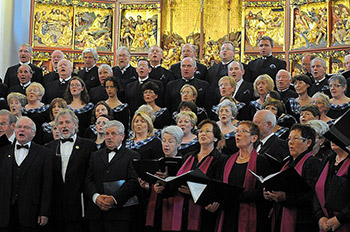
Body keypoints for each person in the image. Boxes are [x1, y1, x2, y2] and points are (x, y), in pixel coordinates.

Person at [155, 120, 224, 232]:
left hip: (204, 212)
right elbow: (177, 181)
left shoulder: (220, 159)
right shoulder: (188, 157)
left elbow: (218, 187)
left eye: (207, 131)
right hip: (182, 209)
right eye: (200, 131)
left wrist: (194, 191)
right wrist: (163, 187)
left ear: (216, 138)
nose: (203, 133)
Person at [216, 120, 272, 232]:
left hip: (252, 212)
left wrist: (235, 196)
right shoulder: (227, 160)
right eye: (237, 131)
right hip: (229, 212)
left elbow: (263, 191)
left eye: (243, 131)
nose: (238, 134)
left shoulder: (261, 161)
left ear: (254, 138)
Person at [84, 120, 140, 232]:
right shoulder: (95, 155)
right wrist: (96, 197)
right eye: (107, 134)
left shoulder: (132, 155)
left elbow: (133, 181)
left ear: (122, 136)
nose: (109, 137)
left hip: (120, 214)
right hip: (96, 213)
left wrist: (114, 199)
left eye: (113, 134)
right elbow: (88, 180)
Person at [264, 124, 321, 232]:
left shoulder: (312, 163)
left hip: (302, 221)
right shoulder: (288, 163)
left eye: (295, 138)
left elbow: (312, 195)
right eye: (289, 138)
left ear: (308, 142)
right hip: (281, 214)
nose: (290, 142)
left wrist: (286, 197)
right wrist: (271, 193)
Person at [0, 116, 52, 231]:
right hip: (5, 214)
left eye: (26, 127)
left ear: (34, 133)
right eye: (19, 127)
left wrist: (44, 212)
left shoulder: (44, 154)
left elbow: (47, 185)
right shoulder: (3, 152)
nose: (21, 130)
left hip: (31, 213)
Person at [48, 109, 96, 232]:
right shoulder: (49, 147)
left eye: (67, 122)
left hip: (80, 206)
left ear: (75, 125)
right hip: (55, 209)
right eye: (60, 123)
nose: (64, 126)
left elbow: (92, 176)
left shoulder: (89, 146)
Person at [145, 126, 184, 231]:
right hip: (157, 207)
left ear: (179, 143)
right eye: (164, 140)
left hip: (176, 207)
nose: (166, 144)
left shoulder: (185, 163)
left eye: (170, 141)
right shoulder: (157, 162)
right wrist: (147, 186)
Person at [314, 142, 350, 232]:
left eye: (336, 138)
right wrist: (320, 216)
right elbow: (315, 189)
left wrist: (340, 219)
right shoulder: (328, 160)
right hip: (325, 222)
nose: (333, 141)